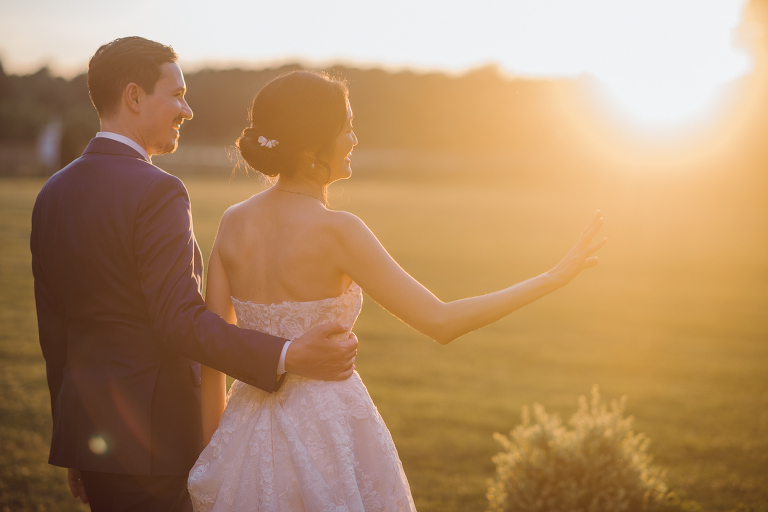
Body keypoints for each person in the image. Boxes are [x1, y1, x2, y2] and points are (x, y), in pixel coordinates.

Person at [187, 70, 606, 511]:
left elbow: (213, 354)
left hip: (244, 428)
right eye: (346, 126)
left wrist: (216, 453)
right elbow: (441, 321)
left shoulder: (233, 222)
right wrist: (550, 279)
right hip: (328, 432)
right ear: (312, 147)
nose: (353, 137)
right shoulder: (340, 232)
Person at [30, 38, 358, 512]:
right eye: (177, 94)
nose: (187, 109)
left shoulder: (52, 193)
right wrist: (288, 353)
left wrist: (74, 441)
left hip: (91, 439)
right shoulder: (157, 191)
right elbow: (179, 322)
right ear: (134, 97)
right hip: (154, 442)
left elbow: (53, 333)